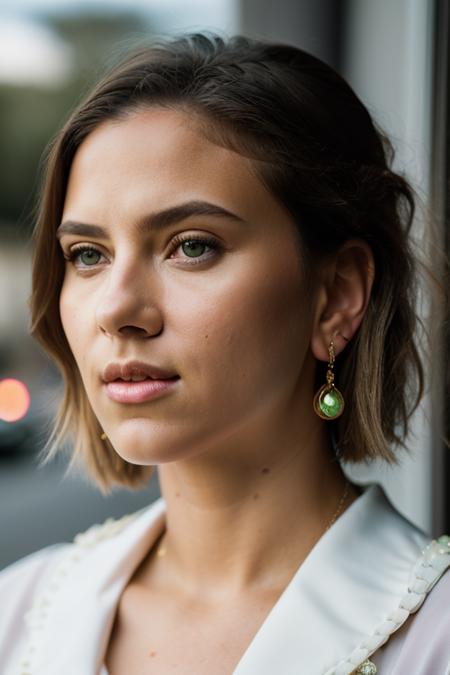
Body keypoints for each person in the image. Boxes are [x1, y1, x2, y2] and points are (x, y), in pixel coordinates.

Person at [1, 31, 449, 675]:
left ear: (337, 295)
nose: (118, 309)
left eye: (191, 245)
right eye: (88, 255)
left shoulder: (433, 641)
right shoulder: (15, 617)